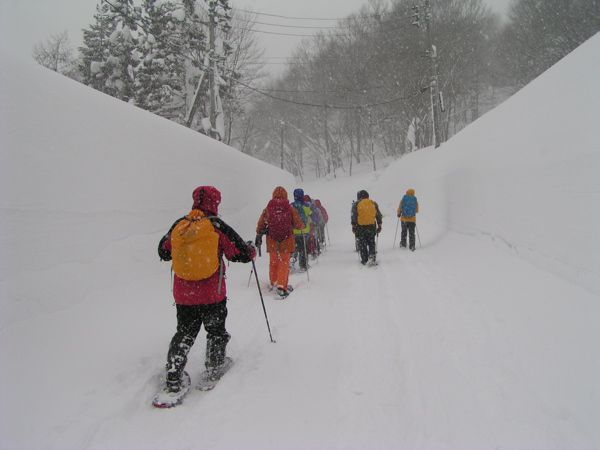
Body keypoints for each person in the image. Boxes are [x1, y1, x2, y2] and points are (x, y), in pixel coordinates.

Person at [155, 186, 256, 404]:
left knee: (184, 333)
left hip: (184, 295)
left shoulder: (179, 225)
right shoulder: (216, 226)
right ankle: (214, 366)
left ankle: (173, 378)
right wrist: (251, 250)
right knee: (216, 330)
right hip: (212, 294)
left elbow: (163, 251)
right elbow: (240, 253)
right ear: (215, 203)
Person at [255, 186, 305, 298]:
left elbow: (261, 223)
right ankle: (282, 286)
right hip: (286, 240)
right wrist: (301, 226)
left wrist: (259, 232)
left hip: (272, 240)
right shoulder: (289, 208)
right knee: (284, 262)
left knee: (273, 262)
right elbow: (298, 223)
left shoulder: (268, 208)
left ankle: (274, 282)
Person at [351, 190, 382, 265]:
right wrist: (379, 224)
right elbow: (378, 215)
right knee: (371, 242)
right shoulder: (373, 203)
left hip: (360, 227)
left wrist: (353, 226)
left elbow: (353, 216)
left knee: (362, 243)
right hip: (371, 226)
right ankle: (372, 257)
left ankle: (364, 259)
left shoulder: (356, 204)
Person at [290, 188, 311, 271]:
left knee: (294, 248)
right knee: (303, 248)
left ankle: (292, 262)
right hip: (304, 230)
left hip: (293, 231)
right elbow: (310, 215)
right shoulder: (306, 206)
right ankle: (303, 265)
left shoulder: (291, 206)